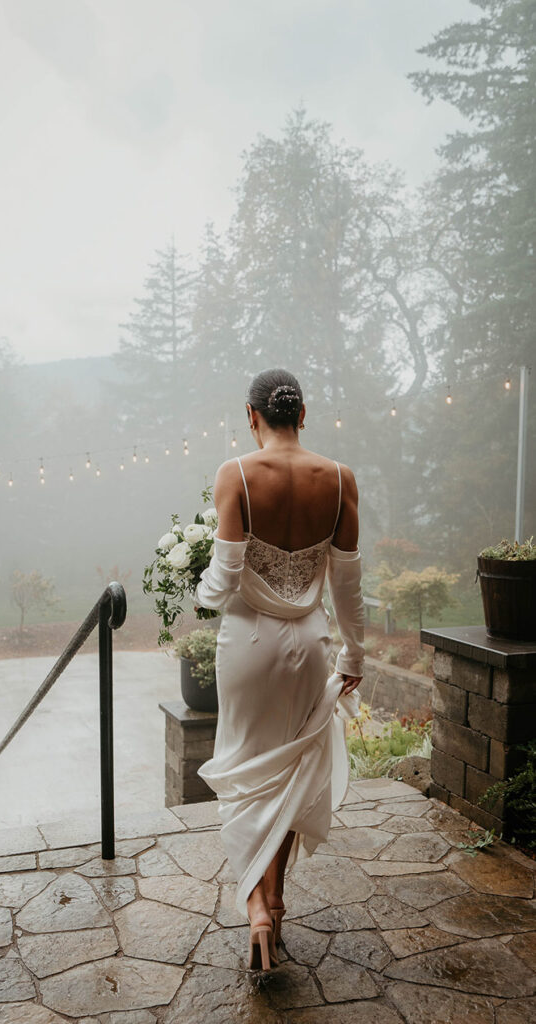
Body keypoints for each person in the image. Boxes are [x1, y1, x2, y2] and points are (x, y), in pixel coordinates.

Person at [193, 367, 365, 972]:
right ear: (303, 412)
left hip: (249, 644)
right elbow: (347, 583)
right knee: (292, 769)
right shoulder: (340, 478)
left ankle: (257, 908)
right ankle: (278, 901)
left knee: (247, 768)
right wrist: (356, 654)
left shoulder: (236, 473)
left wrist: (198, 589)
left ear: (251, 415)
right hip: (313, 644)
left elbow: (225, 576)